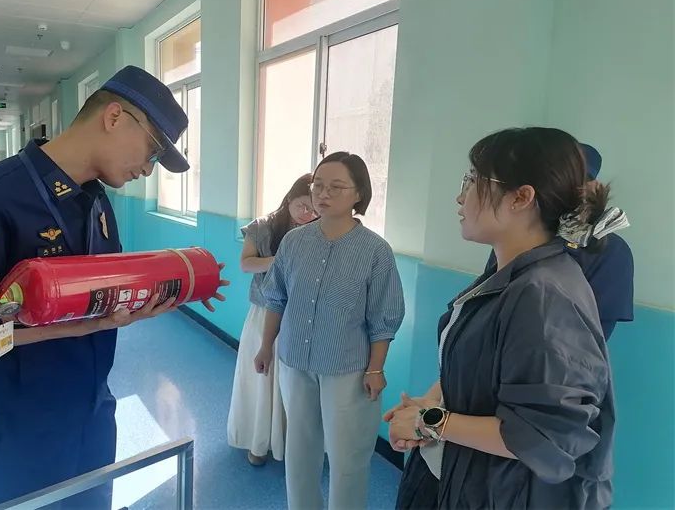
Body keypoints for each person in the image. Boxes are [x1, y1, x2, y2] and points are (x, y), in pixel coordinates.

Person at [0, 65, 228, 509]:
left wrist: (178, 285)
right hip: (15, 431)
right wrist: (73, 327)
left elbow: (102, 289)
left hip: (91, 412)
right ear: (115, 116)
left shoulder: (96, 200)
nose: (148, 168)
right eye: (152, 150)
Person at [387, 127, 615, 509]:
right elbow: (483, 369)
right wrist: (429, 403)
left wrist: (430, 420)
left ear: (521, 197)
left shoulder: (544, 295)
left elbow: (542, 435)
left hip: (499, 491)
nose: (461, 196)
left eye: (473, 181)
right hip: (454, 471)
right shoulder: (510, 271)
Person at [255, 152, 405, 510]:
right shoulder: (294, 242)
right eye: (318, 185)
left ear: (359, 194)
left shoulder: (375, 251)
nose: (323, 194)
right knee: (300, 450)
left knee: (347, 455)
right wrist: (265, 346)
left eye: (336, 187)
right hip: (295, 361)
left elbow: (384, 317)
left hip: (346, 368)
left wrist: (376, 369)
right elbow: (276, 298)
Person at [482, 142, 634, 339]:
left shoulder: (613, 250)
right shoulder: (516, 234)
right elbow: (488, 298)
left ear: (592, 187)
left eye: (576, 182)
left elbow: (595, 334)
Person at [228, 174, 317, 466]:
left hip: (301, 316)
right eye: (303, 205)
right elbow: (246, 263)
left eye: (314, 209)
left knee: (295, 384)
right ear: (289, 198)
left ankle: (289, 444)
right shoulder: (262, 227)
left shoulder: (318, 231)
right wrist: (282, 260)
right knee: (262, 378)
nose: (307, 214)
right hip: (264, 312)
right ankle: (258, 442)